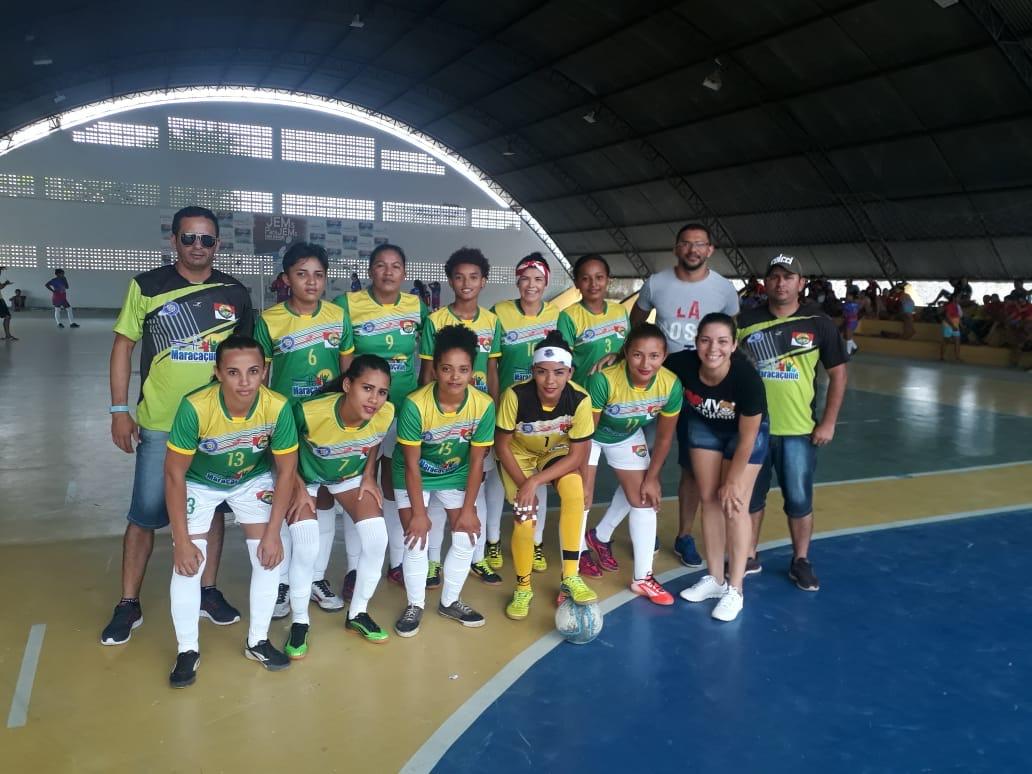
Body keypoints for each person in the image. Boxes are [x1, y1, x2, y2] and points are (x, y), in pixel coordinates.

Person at [101, 205, 254, 646]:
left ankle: (207, 591)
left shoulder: (235, 293)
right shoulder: (147, 287)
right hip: (159, 425)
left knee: (214, 512)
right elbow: (122, 347)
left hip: (216, 429)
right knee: (145, 515)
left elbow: (247, 362)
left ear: (217, 245)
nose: (197, 247)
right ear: (174, 241)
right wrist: (118, 409)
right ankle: (128, 602)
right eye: (189, 238)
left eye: (206, 239)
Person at [165, 335, 297, 687]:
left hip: (249, 480)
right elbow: (174, 472)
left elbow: (286, 471)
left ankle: (257, 641)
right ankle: (187, 650)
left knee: (269, 557)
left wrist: (273, 533)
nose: (244, 381)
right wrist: (180, 540)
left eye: (253, 371)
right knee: (189, 564)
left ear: (265, 371)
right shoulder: (195, 407)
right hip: (198, 482)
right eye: (234, 372)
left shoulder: (278, 407)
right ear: (218, 373)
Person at [629, 223, 739, 569]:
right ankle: (642, 529)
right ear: (677, 248)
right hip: (657, 384)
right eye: (686, 244)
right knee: (641, 458)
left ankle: (685, 535)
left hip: (700, 387)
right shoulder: (656, 283)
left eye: (700, 244)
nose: (693, 249)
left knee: (694, 464)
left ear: (710, 249)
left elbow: (729, 334)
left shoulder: (724, 289)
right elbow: (638, 320)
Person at [737, 254, 848, 592]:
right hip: (753, 430)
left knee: (799, 500)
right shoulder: (745, 321)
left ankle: (800, 560)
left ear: (801, 283)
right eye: (774, 277)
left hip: (799, 431)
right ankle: (748, 555)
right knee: (750, 500)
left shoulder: (818, 322)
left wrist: (828, 422)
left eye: (788, 277)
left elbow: (838, 374)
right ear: (765, 282)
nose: (781, 283)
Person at [254, 242, 354, 616]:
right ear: (286, 279)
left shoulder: (337, 316)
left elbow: (349, 374)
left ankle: (315, 576)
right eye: (302, 274)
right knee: (283, 494)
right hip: (285, 422)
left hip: (326, 423)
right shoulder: (269, 320)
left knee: (322, 495)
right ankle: (281, 581)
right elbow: (261, 377)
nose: (311, 282)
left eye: (318, 274)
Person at [332, 244, 428, 590]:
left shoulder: (417, 307)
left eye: (396, 266)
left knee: (393, 483)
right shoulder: (348, 305)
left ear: (404, 272)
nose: (388, 272)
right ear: (369, 271)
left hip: (402, 407)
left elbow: (428, 362)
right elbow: (344, 360)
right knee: (360, 484)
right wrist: (350, 403)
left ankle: (398, 561)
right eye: (381, 266)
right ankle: (354, 569)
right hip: (364, 409)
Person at [392, 325, 495, 636]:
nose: (455, 377)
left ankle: (449, 601)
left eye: (463, 369)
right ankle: (415, 604)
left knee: (467, 536)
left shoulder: (483, 405)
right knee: (416, 538)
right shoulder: (415, 404)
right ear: (434, 369)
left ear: (472, 371)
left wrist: (468, 509)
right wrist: (420, 515)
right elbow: (411, 465)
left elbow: (477, 461)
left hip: (455, 473)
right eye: (447, 369)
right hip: (414, 475)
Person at [667, 314, 768, 622]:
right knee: (709, 499)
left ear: (734, 345)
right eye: (706, 340)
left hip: (745, 435)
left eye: (723, 341)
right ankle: (715, 578)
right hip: (704, 427)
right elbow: (645, 359)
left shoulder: (747, 380)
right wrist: (614, 357)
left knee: (734, 503)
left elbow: (748, 438)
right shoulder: (681, 363)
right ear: (696, 342)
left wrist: (734, 480)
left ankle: (734, 589)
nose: (713, 348)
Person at [289, 355, 394, 649]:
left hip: (347, 475)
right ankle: (299, 621)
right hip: (304, 478)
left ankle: (358, 613)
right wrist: (297, 487)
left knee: (376, 540)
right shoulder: (309, 412)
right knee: (307, 546)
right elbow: (281, 448)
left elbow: (374, 439)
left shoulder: (385, 413)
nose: (374, 399)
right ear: (348, 385)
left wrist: (370, 475)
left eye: (382, 392)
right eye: (367, 388)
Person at [495, 332, 599, 620]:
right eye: (542, 372)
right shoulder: (515, 396)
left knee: (574, 490)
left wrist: (535, 482)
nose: (550, 381)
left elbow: (578, 455)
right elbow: (502, 445)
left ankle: (571, 576)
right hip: (519, 456)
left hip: (556, 452)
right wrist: (524, 484)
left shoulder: (579, 398)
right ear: (533, 372)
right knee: (525, 518)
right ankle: (523, 587)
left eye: (559, 373)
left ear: (570, 372)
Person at [582, 324, 682, 605]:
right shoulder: (605, 380)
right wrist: (585, 473)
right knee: (582, 496)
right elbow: (587, 432)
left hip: (625, 435)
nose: (645, 363)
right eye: (638, 355)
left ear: (664, 356)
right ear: (625, 353)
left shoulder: (670, 384)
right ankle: (578, 555)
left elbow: (664, 437)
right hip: (591, 435)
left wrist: (653, 476)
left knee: (643, 497)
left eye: (654, 356)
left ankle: (642, 577)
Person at [420, 247, 503, 586]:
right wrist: (429, 416)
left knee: (476, 488)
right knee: (440, 492)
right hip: (441, 418)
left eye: (473, 277)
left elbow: (493, 370)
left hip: (477, 418)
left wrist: (493, 415)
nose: (466, 283)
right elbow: (426, 373)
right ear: (450, 280)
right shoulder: (435, 321)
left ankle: (477, 557)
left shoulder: (492, 322)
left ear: (483, 281)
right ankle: (433, 562)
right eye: (459, 277)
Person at [485, 253, 561, 575]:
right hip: (508, 406)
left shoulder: (557, 315)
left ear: (546, 283)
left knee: (535, 474)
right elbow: (491, 363)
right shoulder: (500, 312)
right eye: (526, 278)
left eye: (538, 279)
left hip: (540, 409)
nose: (532, 285)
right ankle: (492, 540)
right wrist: (494, 401)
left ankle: (537, 541)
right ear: (517, 281)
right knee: (497, 476)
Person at [556, 254, 630, 575]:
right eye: (586, 278)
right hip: (585, 412)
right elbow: (562, 366)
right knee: (583, 488)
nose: (593, 284)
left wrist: (619, 353)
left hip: (618, 411)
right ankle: (581, 550)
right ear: (577, 284)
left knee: (637, 485)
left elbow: (630, 352)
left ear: (608, 280)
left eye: (599, 277)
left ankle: (601, 536)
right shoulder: (569, 317)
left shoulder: (619, 312)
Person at [940, 292, 962, 362]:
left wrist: (960, 325)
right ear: (954, 298)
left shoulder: (958, 306)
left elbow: (958, 317)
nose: (959, 299)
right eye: (958, 297)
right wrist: (952, 326)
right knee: (946, 340)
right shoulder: (950, 306)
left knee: (957, 341)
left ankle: (957, 357)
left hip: (955, 324)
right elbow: (947, 316)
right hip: (948, 325)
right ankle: (942, 356)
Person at [841, 290, 861, 355]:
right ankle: (855, 347)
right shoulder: (856, 304)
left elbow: (844, 314)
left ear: (852, 297)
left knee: (848, 337)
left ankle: (848, 353)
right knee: (849, 336)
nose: (847, 297)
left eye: (849, 296)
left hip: (850, 321)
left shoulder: (847, 305)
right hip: (854, 321)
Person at [0, 268, 15, 340]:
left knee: (8, 316)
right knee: (7, 316)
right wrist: (6, 283)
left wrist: (5, 284)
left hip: (1, 299)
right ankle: (8, 335)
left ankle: (8, 336)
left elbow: (0, 287)